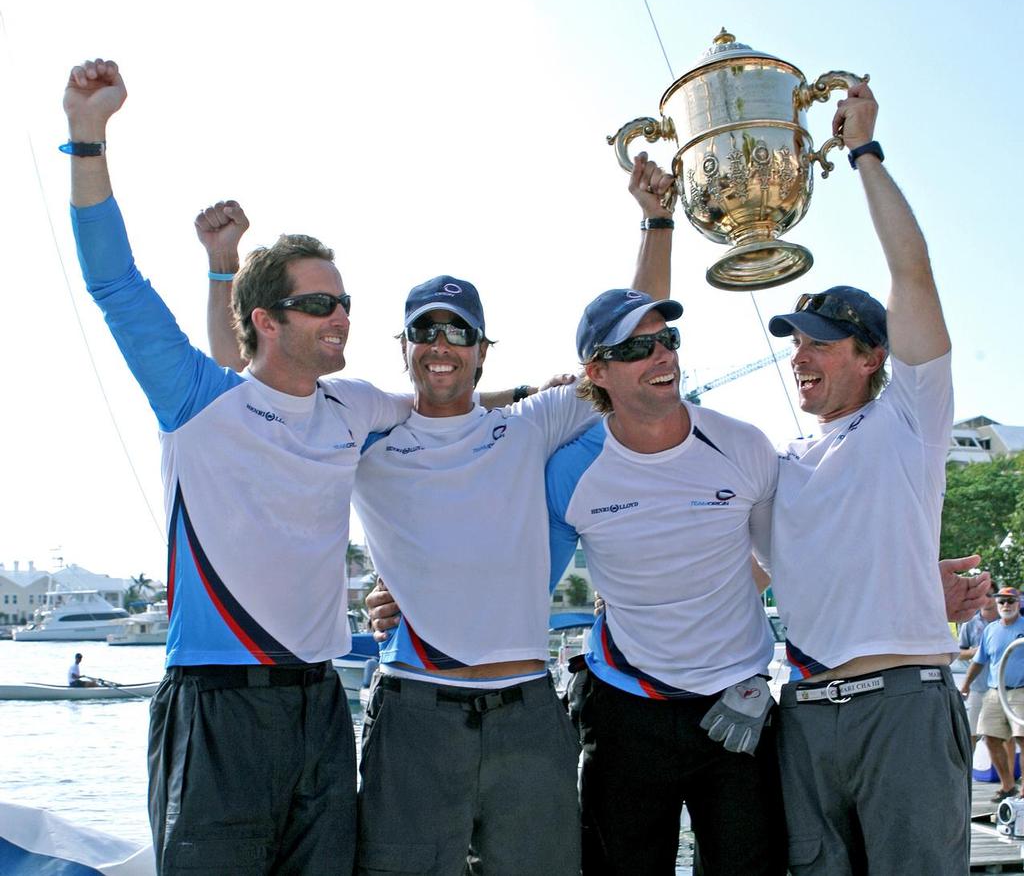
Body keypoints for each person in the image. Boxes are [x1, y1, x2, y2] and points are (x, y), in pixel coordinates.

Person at [204, 157, 676, 875]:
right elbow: (244, 396)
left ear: (483, 351)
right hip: (416, 712)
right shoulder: (369, 433)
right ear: (405, 348)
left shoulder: (531, 425)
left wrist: (655, 221)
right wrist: (223, 273)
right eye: (426, 330)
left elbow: (628, 342)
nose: (442, 346)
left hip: (526, 713)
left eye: (460, 333)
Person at [64, 58, 418, 875]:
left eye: (345, 302)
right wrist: (89, 137)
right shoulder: (198, 402)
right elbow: (114, 284)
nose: (342, 316)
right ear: (266, 319)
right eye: (321, 304)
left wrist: (550, 390)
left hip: (321, 709)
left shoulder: (355, 406)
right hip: (215, 709)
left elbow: (445, 403)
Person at [761, 82, 970, 875]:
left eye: (818, 342)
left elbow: (913, 275)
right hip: (804, 719)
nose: (799, 358)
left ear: (871, 354)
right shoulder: (776, 463)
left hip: (904, 712)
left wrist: (863, 153)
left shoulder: (909, 418)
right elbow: (726, 569)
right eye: (795, 343)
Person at [544, 289, 787, 876]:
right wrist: (407, 600)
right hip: (626, 709)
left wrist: (750, 670)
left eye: (667, 340)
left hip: (738, 707)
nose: (662, 357)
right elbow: (524, 584)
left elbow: (789, 561)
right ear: (596, 372)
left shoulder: (742, 444)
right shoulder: (571, 470)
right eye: (637, 348)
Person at [961, 587, 1024, 801]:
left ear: (1018, 603)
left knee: (1022, 739)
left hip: (1020, 691)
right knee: (989, 737)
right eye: (1002, 602)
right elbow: (979, 660)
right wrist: (966, 684)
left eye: (1010, 601)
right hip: (994, 691)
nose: (1006, 605)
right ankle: (1008, 786)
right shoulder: (990, 630)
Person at [959, 586, 1001, 743]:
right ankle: (968, 767)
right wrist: (978, 651)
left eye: (990, 595)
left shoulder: (1006, 622)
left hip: (1003, 689)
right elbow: (959, 654)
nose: (986, 598)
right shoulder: (969, 623)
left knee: (1002, 738)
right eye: (982, 595)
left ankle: (1004, 769)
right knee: (971, 735)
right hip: (977, 687)